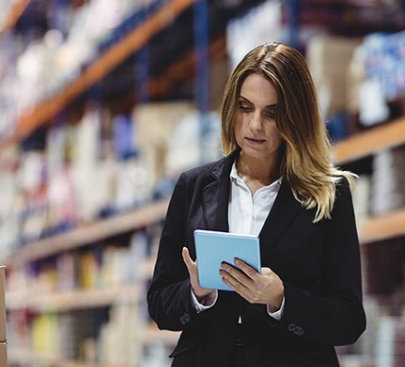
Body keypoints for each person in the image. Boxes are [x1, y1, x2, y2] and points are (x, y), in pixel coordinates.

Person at [147, 42, 366, 366]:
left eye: (272, 113)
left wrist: (281, 298)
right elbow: (160, 304)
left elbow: (348, 320)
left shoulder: (328, 196)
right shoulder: (193, 187)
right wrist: (196, 294)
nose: (255, 125)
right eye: (245, 107)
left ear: (295, 117)